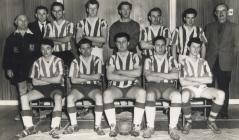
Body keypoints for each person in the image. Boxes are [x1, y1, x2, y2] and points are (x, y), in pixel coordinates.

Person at [16, 39, 64, 139]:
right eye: (42, 49)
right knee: (24, 98)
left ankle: (54, 128)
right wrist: (51, 79)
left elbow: (58, 80)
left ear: (52, 49)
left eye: (48, 49)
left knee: (58, 99)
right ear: (40, 50)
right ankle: (29, 127)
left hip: (56, 88)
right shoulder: (37, 63)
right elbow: (34, 82)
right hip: (41, 89)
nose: (45, 52)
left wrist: (42, 78)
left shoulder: (58, 61)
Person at [104, 32, 146, 137]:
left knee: (142, 92)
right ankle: (113, 127)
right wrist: (130, 76)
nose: (121, 44)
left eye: (123, 42)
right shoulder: (112, 58)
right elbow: (110, 76)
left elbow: (137, 73)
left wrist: (118, 71)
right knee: (106, 94)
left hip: (132, 88)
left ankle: (136, 126)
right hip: (116, 88)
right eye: (118, 42)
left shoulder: (135, 57)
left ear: (128, 43)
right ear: (115, 44)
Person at [180, 37, 225, 135]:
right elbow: (183, 83)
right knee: (184, 95)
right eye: (193, 47)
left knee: (221, 94)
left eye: (198, 47)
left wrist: (191, 78)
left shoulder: (204, 62)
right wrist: (200, 79)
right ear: (188, 48)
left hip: (202, 89)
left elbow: (210, 79)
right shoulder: (182, 62)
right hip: (189, 89)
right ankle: (189, 122)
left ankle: (211, 121)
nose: (196, 50)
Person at [63, 38, 105, 135]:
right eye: (83, 49)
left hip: (93, 87)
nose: (86, 51)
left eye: (88, 48)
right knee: (69, 98)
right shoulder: (75, 61)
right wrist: (90, 77)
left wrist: (81, 75)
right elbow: (73, 80)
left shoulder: (97, 60)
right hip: (78, 88)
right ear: (79, 50)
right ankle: (74, 125)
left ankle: (97, 126)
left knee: (99, 97)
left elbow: (98, 77)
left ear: (91, 49)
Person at [204, 3, 239, 119]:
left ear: (227, 12)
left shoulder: (235, 27)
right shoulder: (209, 27)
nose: (221, 13)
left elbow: (236, 47)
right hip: (211, 62)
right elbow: (205, 45)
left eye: (223, 10)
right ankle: (209, 111)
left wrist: (230, 59)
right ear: (215, 14)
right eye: (218, 11)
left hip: (225, 63)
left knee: (224, 88)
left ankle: (223, 113)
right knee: (210, 88)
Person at [143, 36, 181, 140]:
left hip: (168, 87)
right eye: (158, 45)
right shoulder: (148, 59)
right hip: (153, 86)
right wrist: (166, 74)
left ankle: (172, 128)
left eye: (163, 45)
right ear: (153, 47)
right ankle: (150, 127)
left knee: (177, 95)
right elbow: (149, 77)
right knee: (149, 95)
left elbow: (175, 76)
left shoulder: (171, 59)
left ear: (166, 47)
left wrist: (156, 74)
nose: (160, 47)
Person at [3, 15, 40, 120]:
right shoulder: (11, 38)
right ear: (16, 22)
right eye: (20, 20)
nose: (23, 22)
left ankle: (33, 110)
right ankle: (24, 112)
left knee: (32, 90)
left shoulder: (34, 36)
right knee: (22, 91)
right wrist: (8, 68)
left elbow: (39, 54)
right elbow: (7, 55)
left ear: (28, 22)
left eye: (25, 20)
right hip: (18, 69)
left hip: (32, 69)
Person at [45, 2, 75, 67]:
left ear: (63, 11)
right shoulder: (48, 26)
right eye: (55, 11)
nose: (57, 13)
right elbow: (47, 42)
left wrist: (52, 38)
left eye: (59, 11)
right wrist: (63, 40)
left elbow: (67, 39)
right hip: (53, 54)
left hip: (67, 54)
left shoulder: (70, 24)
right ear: (52, 12)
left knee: (67, 75)